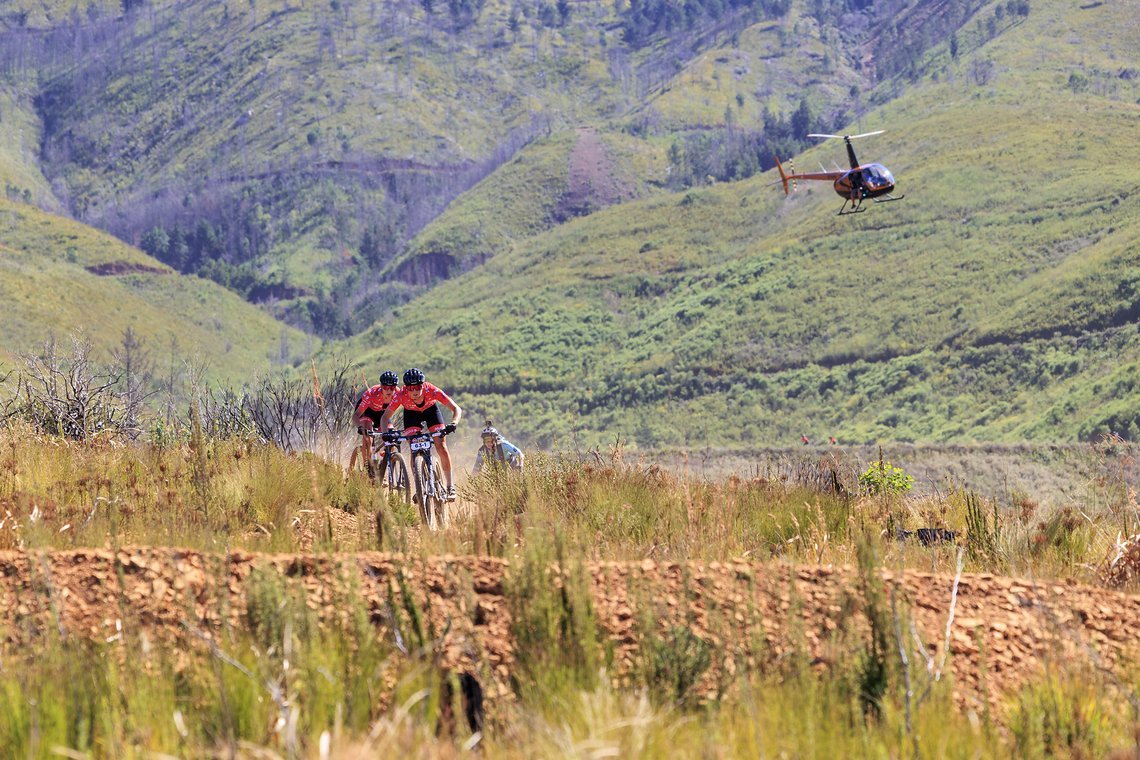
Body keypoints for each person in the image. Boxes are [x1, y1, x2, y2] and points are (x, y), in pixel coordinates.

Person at [380, 368, 463, 500]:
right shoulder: (401, 395)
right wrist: (385, 434)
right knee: (414, 447)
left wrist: (453, 423)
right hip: (411, 415)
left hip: (431, 412)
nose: (414, 391)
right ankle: (420, 487)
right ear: (406, 388)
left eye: (417, 387)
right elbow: (385, 417)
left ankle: (449, 486)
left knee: (441, 446)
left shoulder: (432, 390)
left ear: (423, 385)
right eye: (411, 388)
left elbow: (456, 408)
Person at [352, 370, 400, 477]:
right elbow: (355, 415)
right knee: (368, 436)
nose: (388, 390)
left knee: (391, 436)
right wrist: (360, 427)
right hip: (367, 411)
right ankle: (368, 468)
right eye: (385, 387)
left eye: (392, 388)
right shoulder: (371, 394)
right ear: (381, 386)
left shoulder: (398, 393)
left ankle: (386, 463)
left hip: (382, 414)